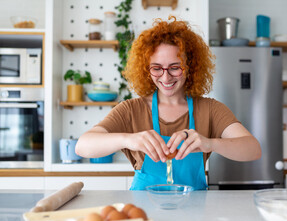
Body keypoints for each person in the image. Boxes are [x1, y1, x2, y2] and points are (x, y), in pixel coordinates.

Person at [75, 16, 261, 190]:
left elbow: (253, 149)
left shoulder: (209, 109)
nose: (165, 76)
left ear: (191, 67)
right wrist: (128, 139)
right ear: (146, 69)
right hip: (145, 215)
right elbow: (82, 146)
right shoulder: (131, 109)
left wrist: (211, 143)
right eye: (157, 68)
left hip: (195, 215)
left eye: (175, 67)